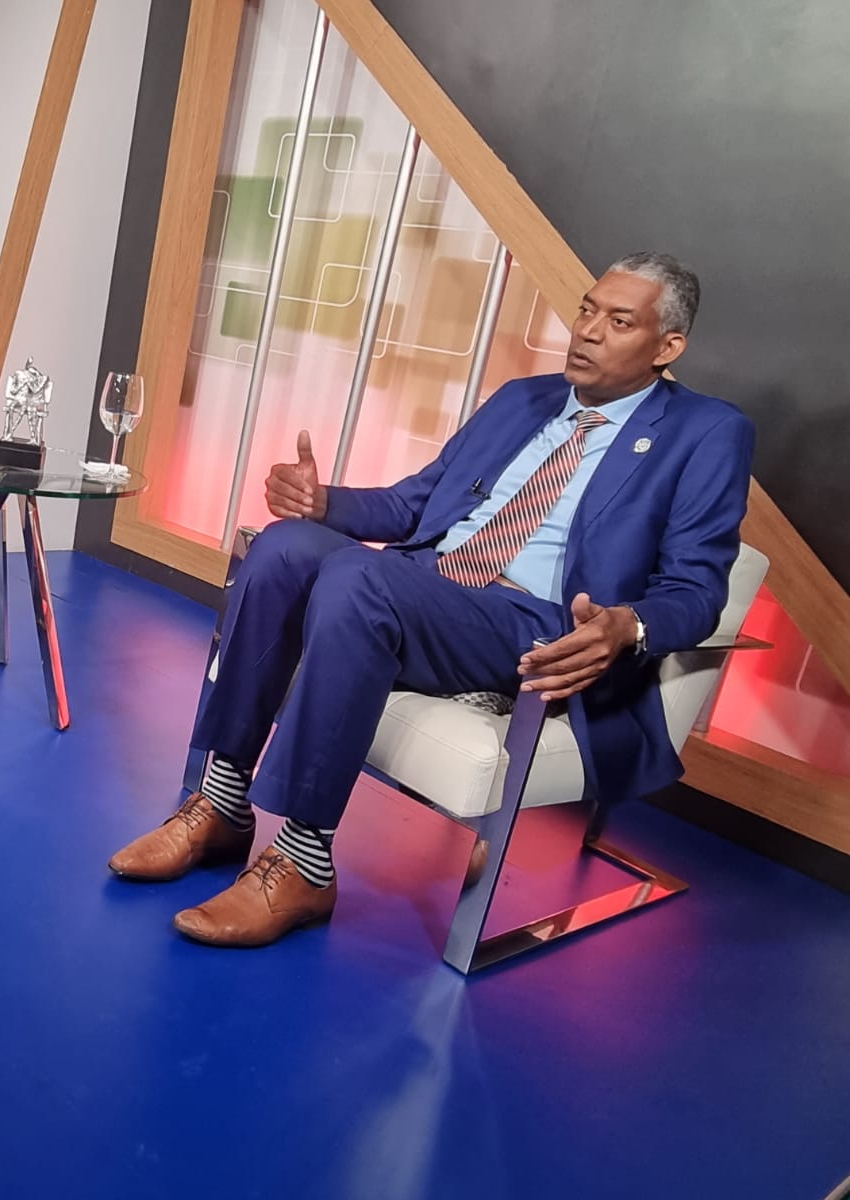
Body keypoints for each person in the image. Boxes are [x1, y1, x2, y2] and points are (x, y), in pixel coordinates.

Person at [107, 252, 753, 947]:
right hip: (432, 589)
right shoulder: (524, 399)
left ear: (667, 347)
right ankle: (221, 804)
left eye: (619, 322)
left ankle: (302, 862)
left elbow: (697, 590)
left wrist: (629, 624)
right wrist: (323, 503)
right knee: (285, 545)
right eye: (587, 310)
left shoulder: (707, 432)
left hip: (532, 625)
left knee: (361, 579)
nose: (588, 331)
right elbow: (417, 503)